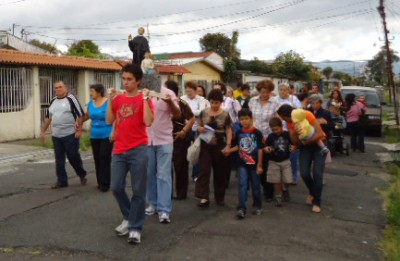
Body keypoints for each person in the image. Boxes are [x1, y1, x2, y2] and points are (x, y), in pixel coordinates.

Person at [106, 64, 154, 244]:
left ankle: (135, 227)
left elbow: (148, 122)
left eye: (129, 79)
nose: (125, 82)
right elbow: (109, 119)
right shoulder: (118, 99)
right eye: (123, 79)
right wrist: (111, 101)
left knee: (138, 190)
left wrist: (145, 99)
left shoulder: (144, 98)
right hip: (119, 149)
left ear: (138, 81)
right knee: (116, 187)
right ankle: (129, 217)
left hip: (138, 149)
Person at [277, 104, 326, 213]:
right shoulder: (290, 124)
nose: (284, 121)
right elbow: (295, 142)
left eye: (284, 118)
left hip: (318, 145)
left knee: (317, 174)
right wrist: (294, 132)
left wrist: (305, 142)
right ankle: (313, 193)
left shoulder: (306, 114)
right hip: (305, 147)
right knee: (304, 173)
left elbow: (319, 134)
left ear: (289, 115)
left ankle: (317, 201)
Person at [145, 79, 180, 224]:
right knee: (149, 173)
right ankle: (153, 203)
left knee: (164, 174)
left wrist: (169, 102)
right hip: (146, 139)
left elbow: (177, 114)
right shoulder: (141, 93)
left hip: (164, 140)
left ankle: (164, 209)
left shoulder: (168, 93)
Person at [40, 81, 87, 189]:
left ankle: (81, 173)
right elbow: (48, 118)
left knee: (73, 157)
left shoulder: (71, 99)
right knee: (59, 159)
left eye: (60, 87)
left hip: (70, 134)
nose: (58, 89)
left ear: (65, 88)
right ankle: (62, 181)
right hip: (56, 135)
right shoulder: (53, 101)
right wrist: (43, 132)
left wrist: (79, 130)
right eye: (56, 88)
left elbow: (81, 115)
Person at [195, 89, 232, 207]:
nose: (214, 105)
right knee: (204, 170)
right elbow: (199, 126)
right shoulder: (204, 112)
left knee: (220, 172)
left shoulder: (225, 114)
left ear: (221, 102)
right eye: (212, 102)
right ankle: (203, 197)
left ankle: (219, 198)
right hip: (205, 144)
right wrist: (200, 129)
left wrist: (228, 145)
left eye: (216, 102)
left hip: (220, 145)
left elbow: (229, 130)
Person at [225, 109, 264, 219]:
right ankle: (241, 208)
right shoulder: (239, 133)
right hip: (242, 164)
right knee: (242, 185)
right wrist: (229, 150)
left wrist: (260, 165)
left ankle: (257, 205)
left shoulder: (257, 133)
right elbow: (239, 146)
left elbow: (260, 149)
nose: (244, 121)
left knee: (256, 186)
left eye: (246, 118)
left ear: (251, 118)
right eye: (241, 119)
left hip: (255, 164)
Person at [248, 80, 280, 202]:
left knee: (266, 165)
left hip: (268, 137)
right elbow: (249, 118)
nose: (265, 94)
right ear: (259, 91)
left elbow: (278, 120)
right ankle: (260, 187)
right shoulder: (252, 101)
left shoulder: (274, 102)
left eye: (267, 92)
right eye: (263, 92)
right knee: (255, 164)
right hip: (254, 137)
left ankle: (269, 191)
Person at [165, 80, 195, 200]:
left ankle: (181, 193)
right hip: (165, 138)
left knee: (180, 166)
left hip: (179, 138)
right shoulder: (160, 102)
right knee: (166, 167)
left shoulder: (181, 103)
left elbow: (192, 119)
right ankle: (167, 192)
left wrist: (184, 131)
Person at [85, 83, 113, 192]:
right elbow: (87, 115)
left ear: (99, 92)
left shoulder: (108, 102)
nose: (91, 93)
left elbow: (114, 117)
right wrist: (79, 121)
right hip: (94, 135)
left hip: (107, 133)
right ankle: (100, 181)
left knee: (104, 156)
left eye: (92, 91)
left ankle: (106, 183)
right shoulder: (91, 104)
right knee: (97, 158)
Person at [181, 81, 209, 181]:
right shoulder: (183, 99)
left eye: (191, 91)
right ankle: (183, 175)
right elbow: (181, 112)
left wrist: (187, 112)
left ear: (195, 90)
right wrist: (193, 113)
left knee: (197, 151)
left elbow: (202, 111)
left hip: (198, 128)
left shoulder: (201, 99)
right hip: (186, 128)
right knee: (183, 151)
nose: (189, 93)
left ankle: (196, 174)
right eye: (187, 91)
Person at [275, 82, 302, 184]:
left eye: (284, 90)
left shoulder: (293, 99)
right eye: (281, 90)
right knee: (281, 153)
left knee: (293, 154)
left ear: (288, 90)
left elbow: (299, 111)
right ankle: (282, 176)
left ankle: (294, 176)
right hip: (280, 130)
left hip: (292, 129)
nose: (282, 92)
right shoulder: (275, 99)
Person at [264, 117, 294, 207]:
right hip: (273, 161)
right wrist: (268, 149)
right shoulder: (270, 137)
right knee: (276, 181)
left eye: (277, 129)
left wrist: (293, 147)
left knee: (288, 180)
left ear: (281, 126)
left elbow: (293, 143)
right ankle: (278, 197)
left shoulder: (287, 135)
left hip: (285, 160)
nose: (275, 131)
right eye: (273, 130)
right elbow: (266, 147)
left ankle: (285, 189)